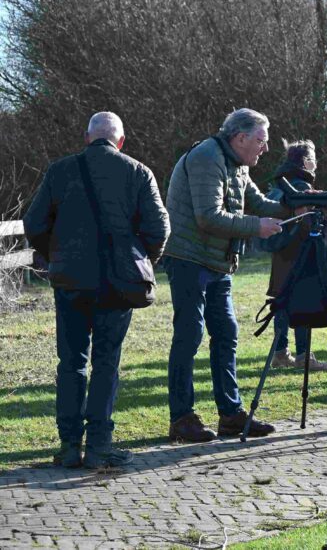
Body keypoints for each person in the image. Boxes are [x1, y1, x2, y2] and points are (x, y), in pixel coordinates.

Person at [24, 112, 170, 468]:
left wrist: (55, 255)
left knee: (71, 362)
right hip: (117, 284)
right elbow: (159, 229)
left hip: (71, 281)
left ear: (87, 137)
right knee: (107, 362)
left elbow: (33, 222)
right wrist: (138, 259)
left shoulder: (60, 171)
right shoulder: (138, 172)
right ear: (120, 142)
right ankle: (100, 445)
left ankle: (69, 445)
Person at [164, 108, 291, 443]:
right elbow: (208, 217)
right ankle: (181, 418)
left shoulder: (235, 162)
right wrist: (257, 228)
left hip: (217, 262)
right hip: (189, 258)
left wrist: (302, 204)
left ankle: (231, 415)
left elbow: (260, 203)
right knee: (189, 336)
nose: (265, 149)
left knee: (226, 333)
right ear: (241, 138)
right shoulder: (208, 157)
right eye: (261, 141)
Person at [260, 139, 327, 371]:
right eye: (313, 158)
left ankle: (280, 353)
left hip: (281, 257)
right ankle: (304, 356)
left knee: (281, 304)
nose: (316, 164)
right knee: (304, 301)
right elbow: (307, 226)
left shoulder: (278, 187)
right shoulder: (301, 188)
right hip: (301, 255)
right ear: (306, 161)